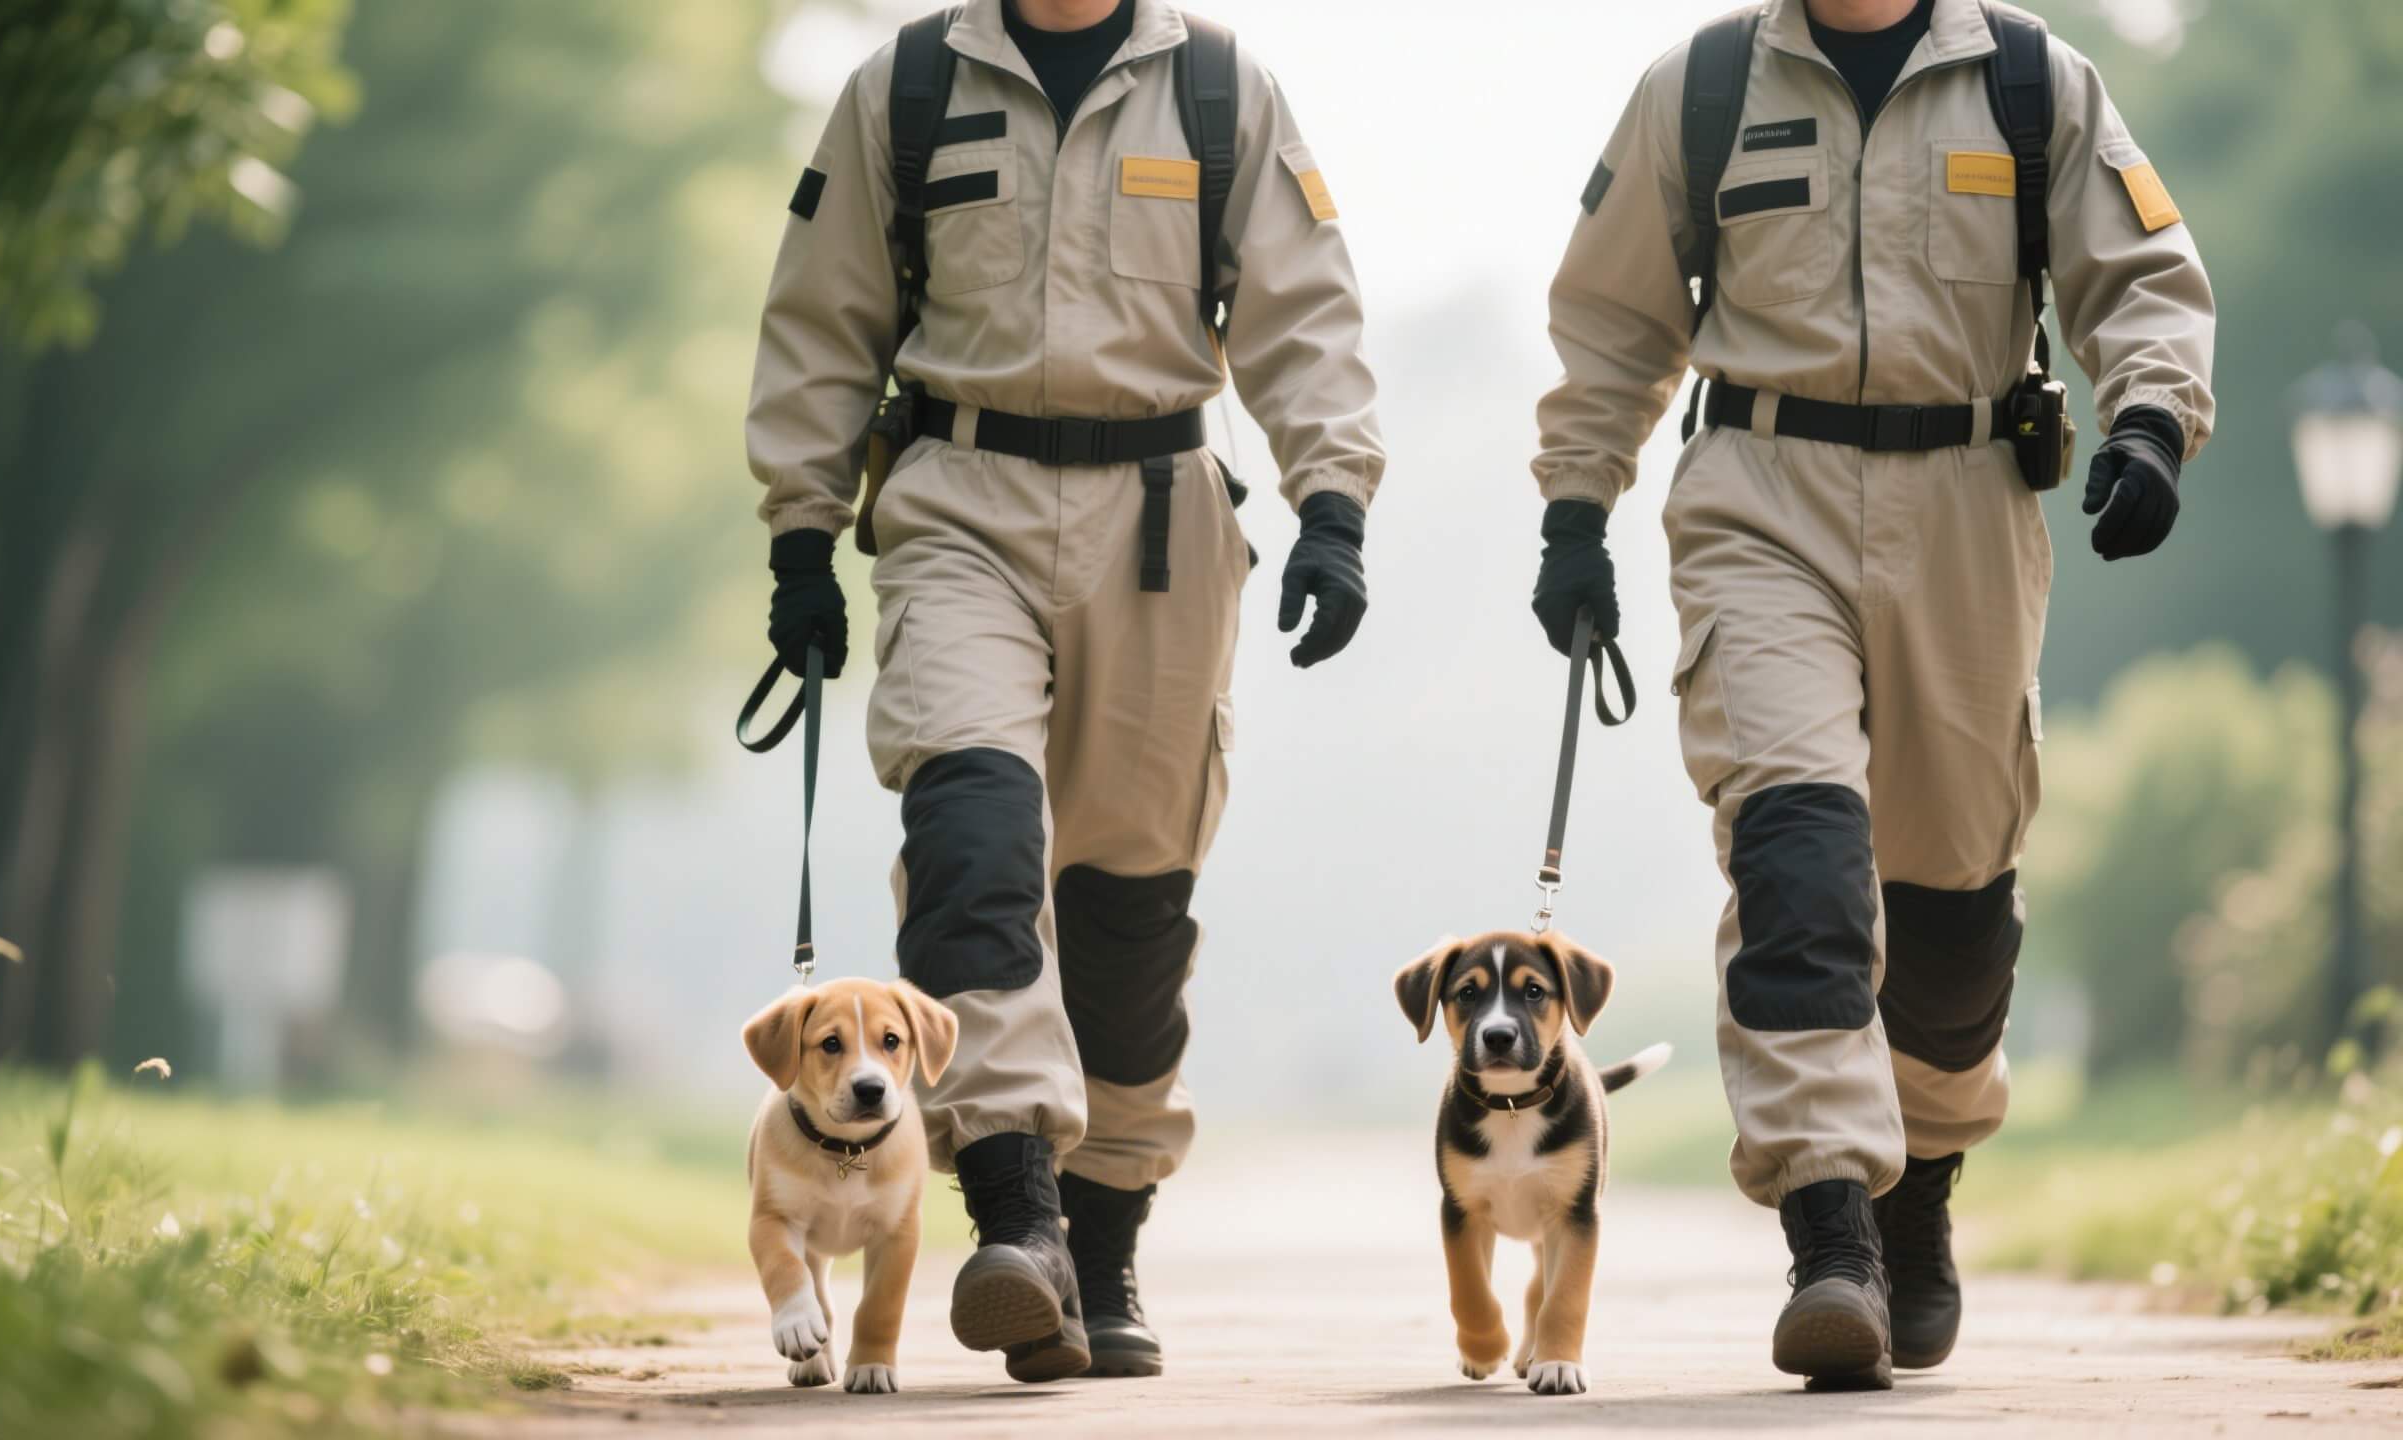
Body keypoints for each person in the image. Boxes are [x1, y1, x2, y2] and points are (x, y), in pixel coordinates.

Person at [1528, 0, 2214, 1390]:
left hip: (1967, 509)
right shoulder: (1703, 88)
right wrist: (1576, 511)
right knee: (1799, 856)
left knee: (1954, 910)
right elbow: (1610, 319)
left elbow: (2143, 272)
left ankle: (1920, 1187)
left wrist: (2151, 419)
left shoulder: (2032, 82)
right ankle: (1831, 1232)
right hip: (1760, 502)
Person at [746, 0, 1382, 1384]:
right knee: (971, 839)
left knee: (1129, 912)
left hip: (1159, 522)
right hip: (957, 506)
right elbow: (820, 316)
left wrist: (1332, 501)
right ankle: (1016, 1213)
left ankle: (1102, 1243)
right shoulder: (907, 87)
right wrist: (802, 533)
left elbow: (1305, 309)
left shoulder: (1219, 90)